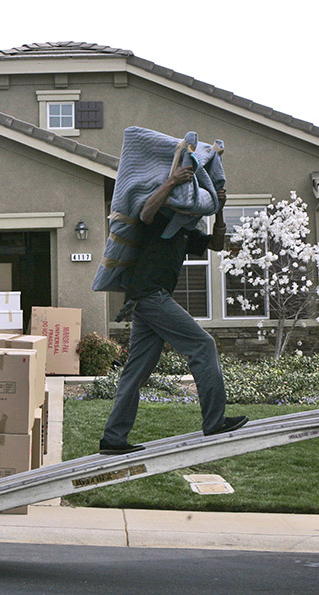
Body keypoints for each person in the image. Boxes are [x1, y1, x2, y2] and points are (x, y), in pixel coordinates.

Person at [99, 165, 248, 455]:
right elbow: (145, 213)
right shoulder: (158, 221)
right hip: (150, 297)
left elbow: (216, 244)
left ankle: (113, 438)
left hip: (147, 302)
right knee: (203, 345)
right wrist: (171, 181)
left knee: (136, 371)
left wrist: (219, 209)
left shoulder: (184, 232)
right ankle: (215, 422)